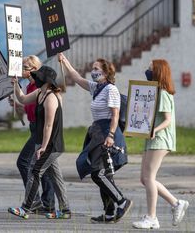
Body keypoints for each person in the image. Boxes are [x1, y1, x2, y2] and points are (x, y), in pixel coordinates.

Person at [59, 53, 131, 224]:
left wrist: (111, 135)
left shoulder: (110, 89)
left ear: (105, 73)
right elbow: (76, 78)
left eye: (96, 69)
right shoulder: (97, 88)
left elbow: (115, 115)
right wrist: (65, 60)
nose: (93, 71)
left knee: (98, 173)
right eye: (92, 69)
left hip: (107, 134)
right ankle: (108, 213)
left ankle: (122, 201)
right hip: (97, 133)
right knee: (104, 173)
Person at [8, 65, 71, 220]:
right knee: (56, 177)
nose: (35, 78)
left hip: (51, 144)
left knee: (35, 171)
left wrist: (43, 147)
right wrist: (16, 84)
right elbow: (22, 99)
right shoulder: (40, 93)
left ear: (47, 80)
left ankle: (26, 208)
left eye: (38, 76)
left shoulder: (51, 97)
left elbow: (48, 125)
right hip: (44, 143)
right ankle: (65, 210)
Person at [132, 60, 189, 229]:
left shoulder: (163, 93)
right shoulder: (156, 92)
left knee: (149, 178)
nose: (147, 70)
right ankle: (176, 203)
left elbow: (167, 120)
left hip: (160, 139)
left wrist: (153, 130)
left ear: (158, 71)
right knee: (144, 178)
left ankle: (152, 217)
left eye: (150, 68)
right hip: (152, 139)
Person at [9, 55, 56, 214]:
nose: (21, 69)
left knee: (23, 162)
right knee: (43, 167)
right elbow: (27, 106)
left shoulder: (39, 87)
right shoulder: (29, 87)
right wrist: (17, 106)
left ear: (34, 70)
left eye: (25, 67)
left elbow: (42, 110)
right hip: (34, 127)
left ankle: (34, 200)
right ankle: (47, 203)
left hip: (40, 129)